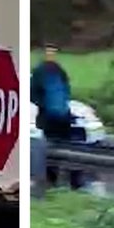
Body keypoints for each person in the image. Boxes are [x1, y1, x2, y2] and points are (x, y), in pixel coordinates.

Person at [30, 43, 83, 190]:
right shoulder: (60, 71)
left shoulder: (39, 71)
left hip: (48, 118)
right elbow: (67, 92)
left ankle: (51, 182)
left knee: (50, 151)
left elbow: (32, 94)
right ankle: (73, 183)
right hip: (64, 117)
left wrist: (43, 106)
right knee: (67, 148)